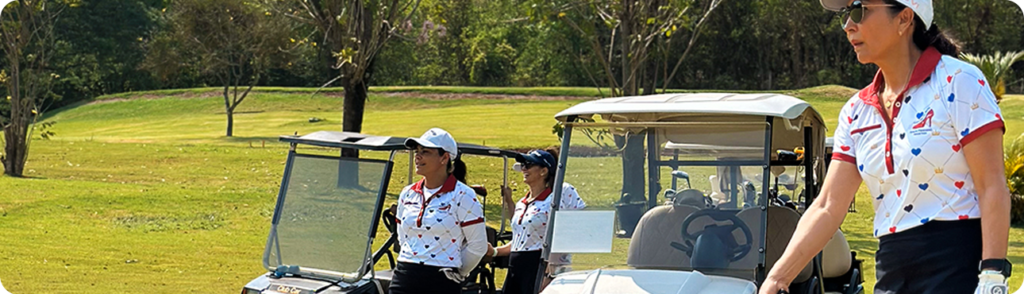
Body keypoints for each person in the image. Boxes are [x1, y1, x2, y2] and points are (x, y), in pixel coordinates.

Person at [760, 1, 1012, 293]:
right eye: (845, 16)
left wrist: (993, 274)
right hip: (892, 272)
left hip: (959, 268)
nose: (848, 26)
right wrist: (778, 278)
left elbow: (991, 185)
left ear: (904, 18)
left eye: (859, 11)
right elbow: (828, 206)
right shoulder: (856, 111)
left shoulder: (959, 82)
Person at [390, 128, 488, 294]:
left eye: (425, 152)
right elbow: (403, 237)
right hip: (404, 276)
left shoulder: (463, 195)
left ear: (444, 158)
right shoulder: (407, 193)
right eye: (417, 151)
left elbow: (477, 246)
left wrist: (457, 270)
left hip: (441, 281)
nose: (417, 156)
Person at [486, 148, 586, 294]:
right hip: (516, 268)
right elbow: (521, 241)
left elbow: (571, 231)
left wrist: (549, 274)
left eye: (529, 164)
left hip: (539, 266)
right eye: (523, 165)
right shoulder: (522, 203)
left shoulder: (559, 194)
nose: (524, 168)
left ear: (543, 171)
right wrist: (494, 251)